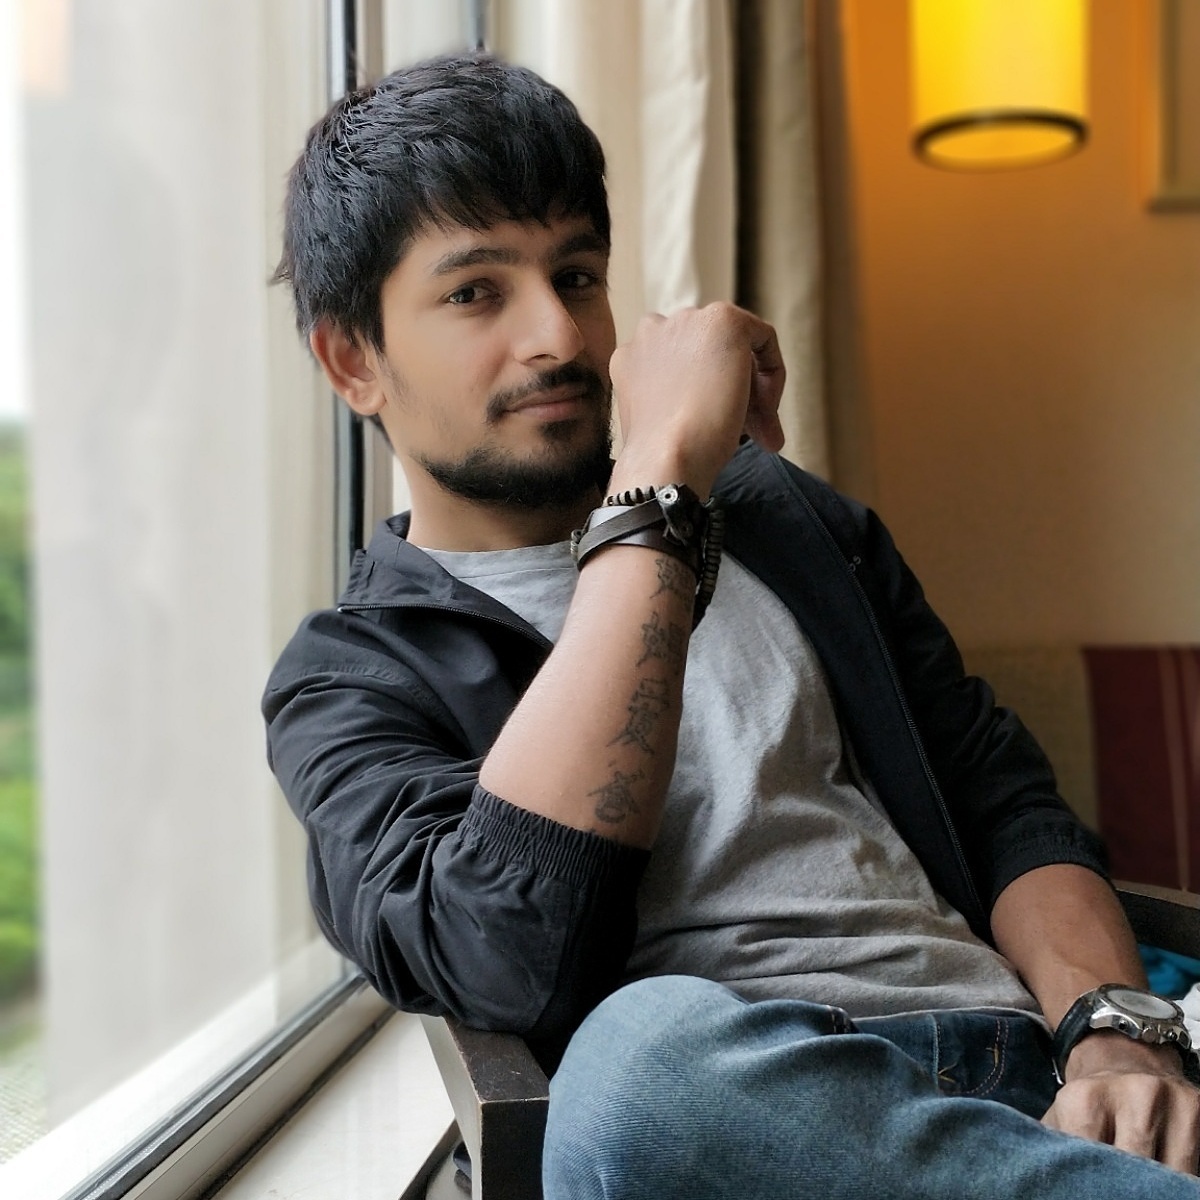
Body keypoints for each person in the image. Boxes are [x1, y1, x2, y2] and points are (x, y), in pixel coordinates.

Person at [263, 52, 1200, 1196]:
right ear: (352, 359)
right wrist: (659, 479)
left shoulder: (779, 520)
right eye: (476, 293)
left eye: (577, 275)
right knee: (636, 1063)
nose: (559, 335)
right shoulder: (348, 679)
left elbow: (1002, 805)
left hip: (1028, 1083)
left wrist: (1116, 1035)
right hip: (742, 1128)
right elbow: (507, 956)